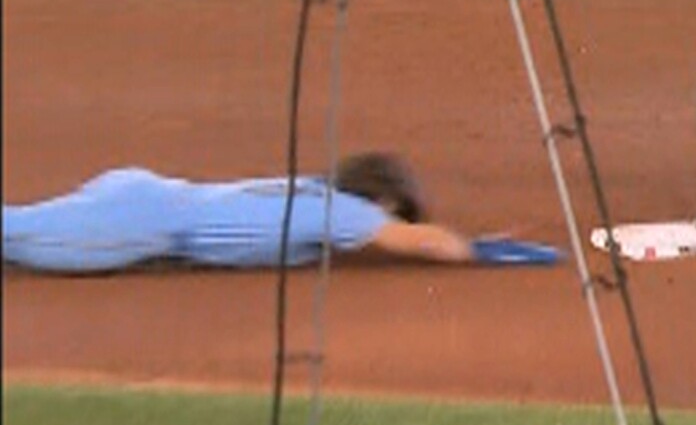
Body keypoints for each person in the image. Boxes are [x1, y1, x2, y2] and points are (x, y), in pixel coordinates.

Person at [2, 152, 556, 273]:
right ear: (384, 202)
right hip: (139, 222)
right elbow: (429, 242)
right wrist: (480, 248)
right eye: (398, 214)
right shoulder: (344, 213)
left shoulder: (314, 191)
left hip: (142, 194)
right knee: (15, 234)